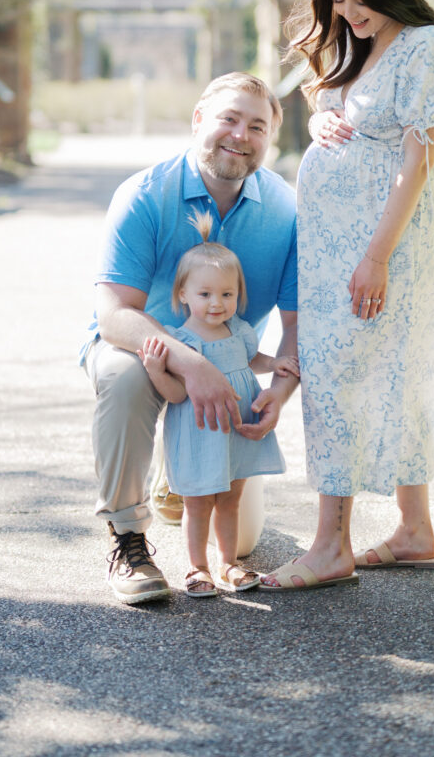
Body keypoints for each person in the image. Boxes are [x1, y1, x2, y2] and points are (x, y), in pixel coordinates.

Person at [261, 0, 434, 592]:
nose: (349, 14)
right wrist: (326, 119)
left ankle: (330, 546)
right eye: (340, 1)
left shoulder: (425, 46)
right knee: (376, 373)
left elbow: (417, 158)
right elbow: (339, 108)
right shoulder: (360, 44)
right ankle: (414, 532)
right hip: (335, 251)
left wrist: (376, 257)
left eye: (360, 1)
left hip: (391, 247)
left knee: (340, 377)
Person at [81, 72, 298, 605]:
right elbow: (113, 314)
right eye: (228, 118)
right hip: (145, 349)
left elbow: (297, 324)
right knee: (124, 376)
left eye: (257, 126)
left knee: (241, 541)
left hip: (231, 371)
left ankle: (173, 472)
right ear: (198, 119)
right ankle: (128, 536)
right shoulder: (143, 195)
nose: (240, 135)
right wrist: (191, 363)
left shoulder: (287, 209)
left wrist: (282, 390)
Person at [137, 212, 297, 597]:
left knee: (230, 498)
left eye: (227, 294)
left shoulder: (238, 328)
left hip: (236, 428)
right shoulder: (180, 340)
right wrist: (157, 370)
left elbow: (249, 359)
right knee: (197, 504)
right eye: (205, 294)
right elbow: (176, 395)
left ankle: (228, 563)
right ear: (183, 295)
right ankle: (196, 567)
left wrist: (273, 363)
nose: (216, 303)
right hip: (199, 431)